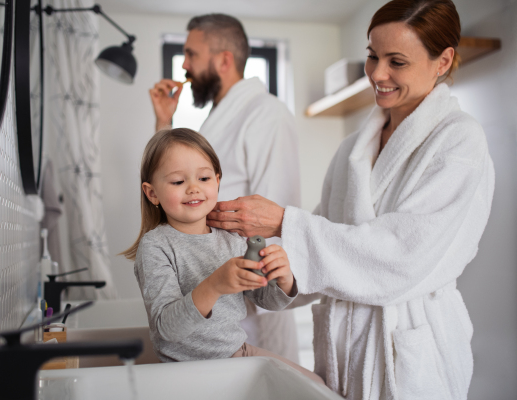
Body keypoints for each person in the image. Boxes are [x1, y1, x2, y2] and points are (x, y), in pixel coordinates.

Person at [207, 1, 495, 399]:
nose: (378, 74)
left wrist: (283, 223)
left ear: (443, 61)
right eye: (372, 56)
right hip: (343, 349)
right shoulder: (351, 151)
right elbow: (325, 253)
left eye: (397, 61)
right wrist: (285, 273)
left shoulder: (459, 141)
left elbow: (402, 255)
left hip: (411, 352)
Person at [149, 13, 302, 363]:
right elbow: (170, 175)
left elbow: (274, 216)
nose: (184, 64)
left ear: (224, 60)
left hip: (252, 306)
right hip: (209, 309)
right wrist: (163, 122)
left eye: (192, 54)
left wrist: (265, 284)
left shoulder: (267, 114)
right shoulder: (219, 118)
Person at [121, 128, 324, 385]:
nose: (194, 188)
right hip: (181, 372)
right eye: (178, 182)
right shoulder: (155, 246)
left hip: (236, 354)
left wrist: (283, 279)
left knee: (316, 387)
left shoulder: (230, 239)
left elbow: (266, 300)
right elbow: (167, 329)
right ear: (152, 194)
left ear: (217, 181)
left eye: (203, 178)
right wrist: (215, 285)